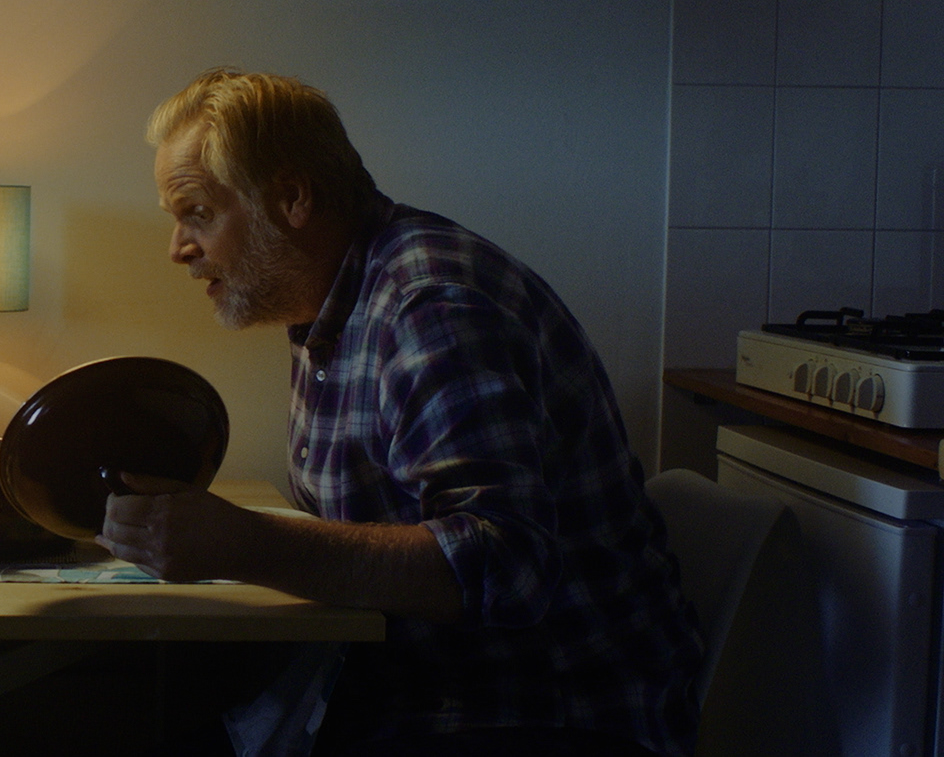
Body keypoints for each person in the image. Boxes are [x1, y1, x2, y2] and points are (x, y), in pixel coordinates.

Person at [97, 67, 703, 757]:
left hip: (536, 713)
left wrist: (243, 543)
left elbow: (506, 566)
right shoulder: (328, 302)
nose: (177, 248)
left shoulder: (431, 307)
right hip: (417, 694)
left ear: (291, 198)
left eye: (198, 213)